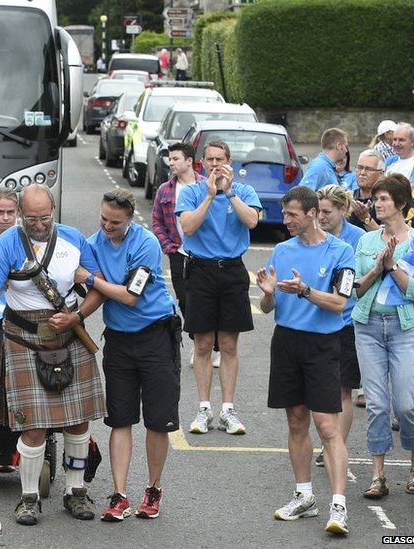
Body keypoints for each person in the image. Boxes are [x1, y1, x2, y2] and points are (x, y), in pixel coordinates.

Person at [0, 184, 106, 526]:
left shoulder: (74, 239)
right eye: (31, 218)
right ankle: (28, 498)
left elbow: (98, 286)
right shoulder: (7, 244)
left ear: (54, 210)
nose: (38, 224)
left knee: (79, 422)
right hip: (23, 338)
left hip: (69, 334)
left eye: (44, 217)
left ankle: (76, 493)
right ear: (20, 213)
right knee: (34, 427)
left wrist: (78, 316)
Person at [77, 187, 180, 521]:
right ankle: (120, 494)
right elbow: (84, 286)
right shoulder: (93, 244)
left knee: (156, 420)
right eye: (104, 219)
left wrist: (91, 278)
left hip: (155, 335)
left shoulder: (146, 244)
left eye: (115, 222)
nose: (107, 226)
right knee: (119, 419)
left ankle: (153, 489)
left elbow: (131, 296)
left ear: (130, 219)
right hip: (119, 340)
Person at [257, 186, 353, 536]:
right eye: (285, 215)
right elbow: (269, 309)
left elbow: (340, 303)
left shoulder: (341, 251)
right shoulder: (282, 250)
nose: (286, 221)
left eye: (292, 214)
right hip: (286, 341)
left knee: (327, 427)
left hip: (323, 344)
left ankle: (339, 505)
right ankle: (304, 496)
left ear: (312, 213)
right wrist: (268, 296)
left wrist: (305, 291)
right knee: (296, 421)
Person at [352, 174, 414, 500]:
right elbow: (358, 289)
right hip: (369, 327)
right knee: (376, 404)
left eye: (384, 199)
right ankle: (378, 475)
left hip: (406, 330)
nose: (377, 204)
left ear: (401, 204)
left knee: (404, 405)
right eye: (376, 199)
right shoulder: (366, 241)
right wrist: (378, 267)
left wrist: (393, 264)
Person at [176, 139, 262, 436]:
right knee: (202, 344)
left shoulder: (245, 191)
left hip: (232, 270)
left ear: (229, 162)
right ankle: (203, 408)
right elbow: (188, 227)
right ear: (202, 164)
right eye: (209, 160)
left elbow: (252, 221)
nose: (214, 164)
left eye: (220, 159)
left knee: (228, 344)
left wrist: (229, 192)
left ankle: (228, 408)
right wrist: (210, 197)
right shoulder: (191, 192)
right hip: (200, 270)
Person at [313, 185, 366, 474]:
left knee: (343, 389)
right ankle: (328, 441)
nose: (320, 217)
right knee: (321, 389)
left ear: (343, 211)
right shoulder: (311, 235)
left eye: (326, 212)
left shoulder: (358, 239)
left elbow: (356, 285)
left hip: (346, 321)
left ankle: (335, 447)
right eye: (318, 211)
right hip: (314, 322)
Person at [152, 142, 204, 317]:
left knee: (202, 298)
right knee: (183, 298)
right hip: (177, 253)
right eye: (169, 159)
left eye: (175, 159)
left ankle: (205, 338)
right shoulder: (164, 190)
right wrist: (168, 247)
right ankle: (196, 335)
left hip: (203, 253)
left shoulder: (205, 186)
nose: (171, 163)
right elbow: (157, 221)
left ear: (189, 161)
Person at [349, 149, 385, 231]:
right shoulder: (348, 198)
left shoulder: (387, 201)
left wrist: (365, 218)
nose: (362, 173)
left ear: (381, 174)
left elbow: (386, 237)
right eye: (359, 167)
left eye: (368, 169)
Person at [385, 123, 414, 188]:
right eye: (394, 139)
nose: (396, 144)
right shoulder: (390, 160)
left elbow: (408, 190)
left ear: (412, 142)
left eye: (401, 140)